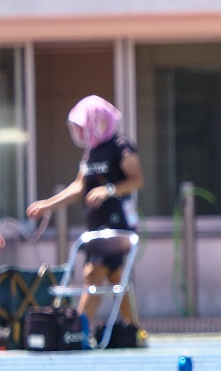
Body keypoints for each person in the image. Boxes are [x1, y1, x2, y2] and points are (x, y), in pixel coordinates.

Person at [25, 96, 143, 332]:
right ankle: (134, 330)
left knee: (93, 273)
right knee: (115, 277)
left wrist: (108, 190)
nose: (77, 131)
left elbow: (137, 180)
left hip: (117, 223)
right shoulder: (92, 151)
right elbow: (79, 186)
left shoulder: (120, 146)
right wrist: (49, 204)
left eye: (80, 124)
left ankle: (75, 329)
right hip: (96, 225)